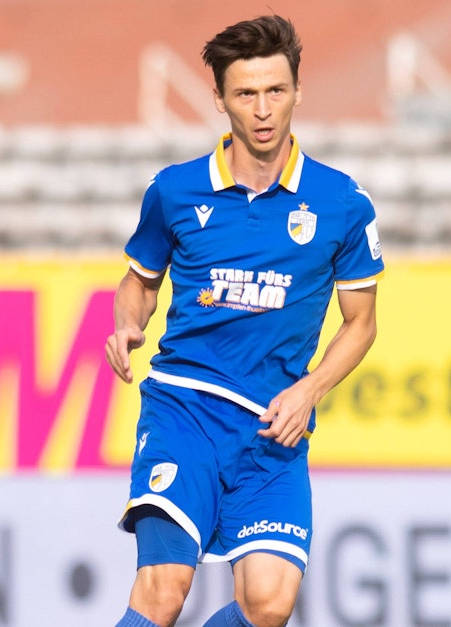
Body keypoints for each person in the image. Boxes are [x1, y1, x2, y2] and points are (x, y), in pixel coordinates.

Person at [105, 15, 384, 627]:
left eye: (276, 91)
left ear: (297, 93)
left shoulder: (341, 202)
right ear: (220, 100)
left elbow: (359, 323)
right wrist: (129, 322)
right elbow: (138, 284)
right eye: (246, 94)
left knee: (269, 603)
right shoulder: (175, 191)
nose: (263, 110)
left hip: (273, 429)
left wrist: (310, 390)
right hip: (187, 411)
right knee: (164, 588)